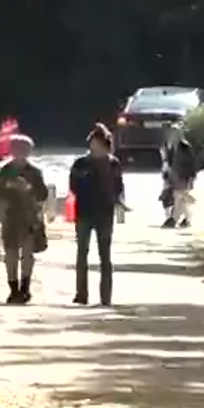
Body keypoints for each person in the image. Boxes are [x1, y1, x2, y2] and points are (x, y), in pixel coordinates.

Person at [68, 123, 125, 306]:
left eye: (99, 143)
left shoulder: (113, 163)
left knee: (105, 256)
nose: (95, 146)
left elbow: (119, 187)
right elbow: (73, 186)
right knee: (82, 254)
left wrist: (116, 202)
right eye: (93, 143)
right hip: (84, 211)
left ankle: (105, 296)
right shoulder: (81, 163)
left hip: (104, 213)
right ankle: (81, 294)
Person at [0, 133, 50, 303]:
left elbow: (43, 195)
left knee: (27, 254)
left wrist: (29, 189)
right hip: (10, 217)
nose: (20, 153)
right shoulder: (5, 171)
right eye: (16, 149)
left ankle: (25, 288)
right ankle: (13, 288)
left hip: (29, 218)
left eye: (24, 150)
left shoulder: (35, 172)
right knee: (10, 254)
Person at [163, 133, 198, 228]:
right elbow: (170, 163)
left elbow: (191, 164)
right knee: (181, 199)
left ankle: (175, 219)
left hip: (183, 177)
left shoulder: (184, 147)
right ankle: (186, 219)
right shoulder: (173, 147)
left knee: (179, 198)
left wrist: (191, 178)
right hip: (177, 177)